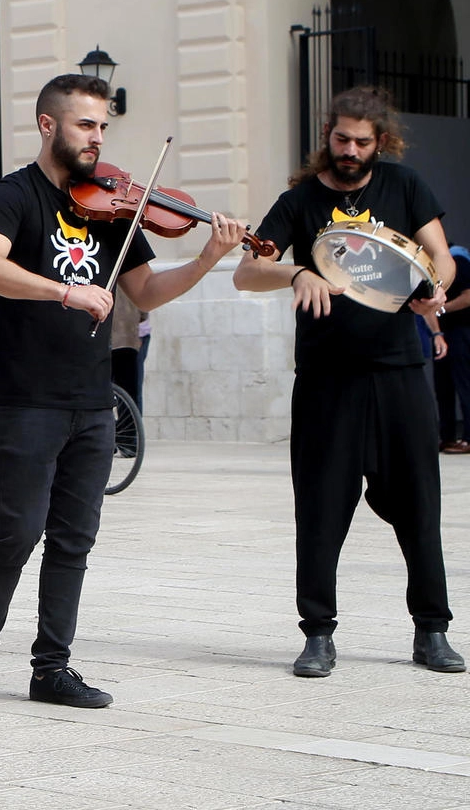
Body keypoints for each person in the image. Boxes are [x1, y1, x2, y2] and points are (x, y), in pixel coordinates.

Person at [0, 74, 247, 710]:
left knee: (74, 539)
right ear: (49, 126)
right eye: (86, 125)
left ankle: (52, 668)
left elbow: (148, 291)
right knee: (16, 531)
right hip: (25, 397)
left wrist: (207, 258)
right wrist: (64, 290)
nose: (97, 137)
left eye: (103, 126)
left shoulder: (111, 206)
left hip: (91, 400)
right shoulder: (12, 195)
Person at [233, 85, 464, 677]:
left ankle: (431, 630)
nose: (351, 151)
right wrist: (296, 274)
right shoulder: (300, 199)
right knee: (320, 506)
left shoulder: (405, 187)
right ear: (327, 137)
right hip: (327, 379)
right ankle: (317, 633)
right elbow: (247, 273)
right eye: (341, 139)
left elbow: (442, 257)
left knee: (418, 504)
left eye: (363, 141)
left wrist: (433, 287)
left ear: (380, 142)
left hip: (401, 374)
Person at [435, 244, 470, 452]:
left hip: (462, 330)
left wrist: (441, 308)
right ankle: (447, 437)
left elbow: (468, 297)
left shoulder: (459, 259)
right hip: (443, 332)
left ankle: (467, 437)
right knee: (443, 386)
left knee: (464, 383)